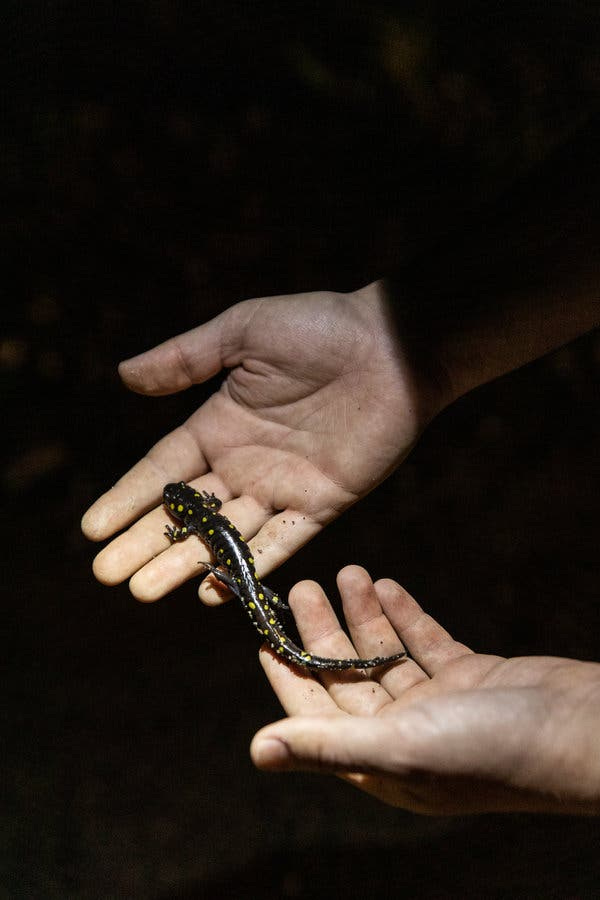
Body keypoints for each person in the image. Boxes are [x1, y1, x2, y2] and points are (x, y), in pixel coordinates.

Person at [82, 127, 600, 816]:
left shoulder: (199, 521)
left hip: (239, 566)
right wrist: (404, 339)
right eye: (182, 511)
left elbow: (205, 535)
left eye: (178, 512)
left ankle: (319, 647)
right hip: (241, 567)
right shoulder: (204, 519)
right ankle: (317, 647)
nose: (180, 513)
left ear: (182, 514)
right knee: (262, 608)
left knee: (261, 607)